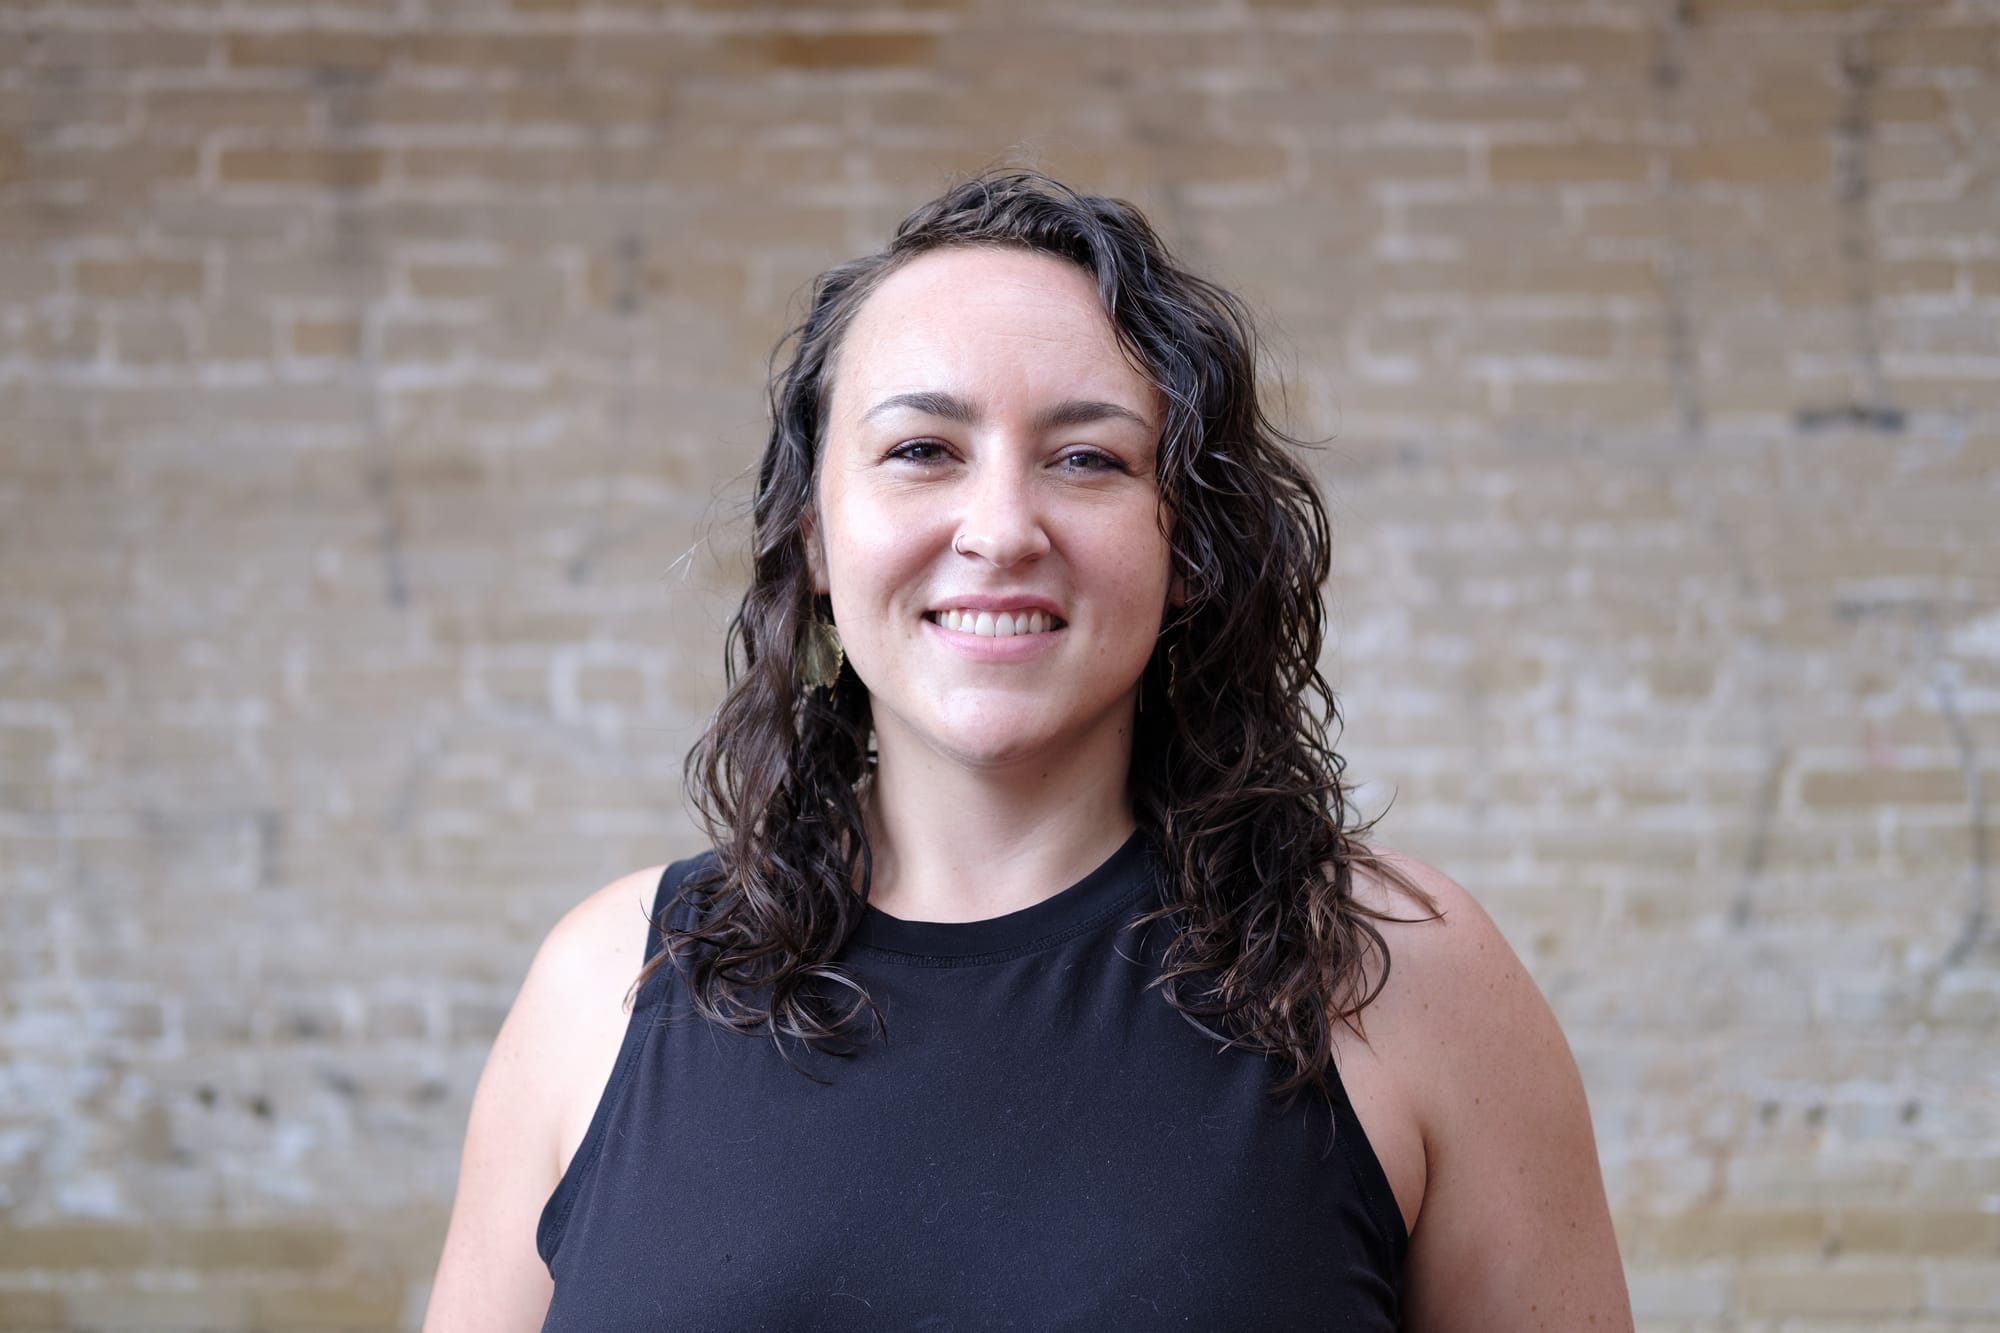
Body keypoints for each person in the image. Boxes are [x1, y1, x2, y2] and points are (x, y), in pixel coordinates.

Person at [424, 171, 1634, 1331]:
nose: (1001, 529)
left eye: (1086, 458)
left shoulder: (1397, 979)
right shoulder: (603, 990)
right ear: (813, 542)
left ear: (1186, 545)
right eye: (920, 451)